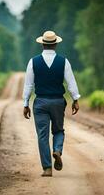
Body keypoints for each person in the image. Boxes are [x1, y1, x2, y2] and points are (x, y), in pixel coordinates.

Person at [22, 31, 81, 177]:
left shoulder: (33, 62)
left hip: (40, 102)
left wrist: (25, 104)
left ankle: (47, 168)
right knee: (58, 130)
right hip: (57, 102)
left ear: (42, 44)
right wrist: (75, 99)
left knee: (42, 135)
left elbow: (28, 85)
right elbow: (71, 83)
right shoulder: (64, 61)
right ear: (55, 44)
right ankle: (57, 150)